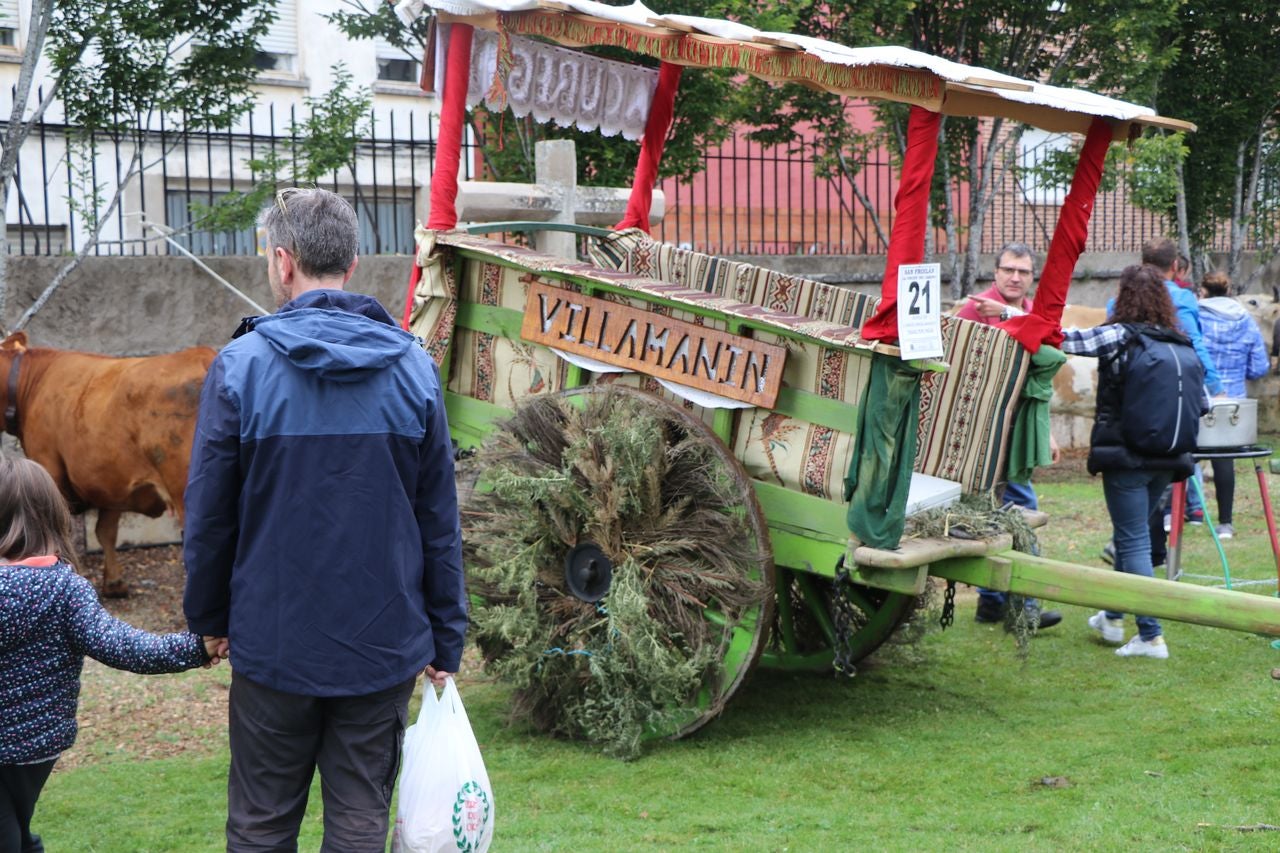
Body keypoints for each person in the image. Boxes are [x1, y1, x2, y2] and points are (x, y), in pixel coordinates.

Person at [183, 188, 468, 851]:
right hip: (377, 648)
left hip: (276, 643)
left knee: (261, 822)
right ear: (355, 262)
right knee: (360, 820)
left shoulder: (241, 371)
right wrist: (445, 636)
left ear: (283, 262)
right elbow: (440, 524)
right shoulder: (413, 373)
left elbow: (209, 518)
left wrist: (209, 619)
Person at [1, 455, 221, 853]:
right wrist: (195, 646)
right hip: (39, 751)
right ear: (52, 516)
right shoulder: (66, 590)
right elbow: (125, 647)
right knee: (18, 830)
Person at [1063, 264, 1208, 659]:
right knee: (1134, 538)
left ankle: (1151, 635)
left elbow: (1065, 342)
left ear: (1122, 296)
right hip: (1169, 458)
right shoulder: (1181, 342)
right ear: (1165, 299)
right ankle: (1112, 616)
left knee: (1133, 540)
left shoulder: (1117, 335)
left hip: (1126, 457)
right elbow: (1204, 403)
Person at [956, 243, 1062, 629]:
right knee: (1019, 511)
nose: (1015, 277)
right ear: (995, 272)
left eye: (1023, 272)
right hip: (983, 433)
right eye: (1008, 270)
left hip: (1015, 429)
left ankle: (992, 602)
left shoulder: (1029, 313)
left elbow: (1036, 379)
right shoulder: (973, 309)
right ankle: (1025, 607)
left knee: (995, 512)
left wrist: (1043, 432)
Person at [1198, 270, 1269, 539]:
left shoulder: (1194, 318)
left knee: (1184, 454)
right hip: (1233, 402)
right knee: (1223, 461)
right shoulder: (1246, 321)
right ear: (1229, 292)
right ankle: (1225, 522)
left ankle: (1182, 514)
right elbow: (1260, 365)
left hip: (1199, 396)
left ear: (1203, 291)